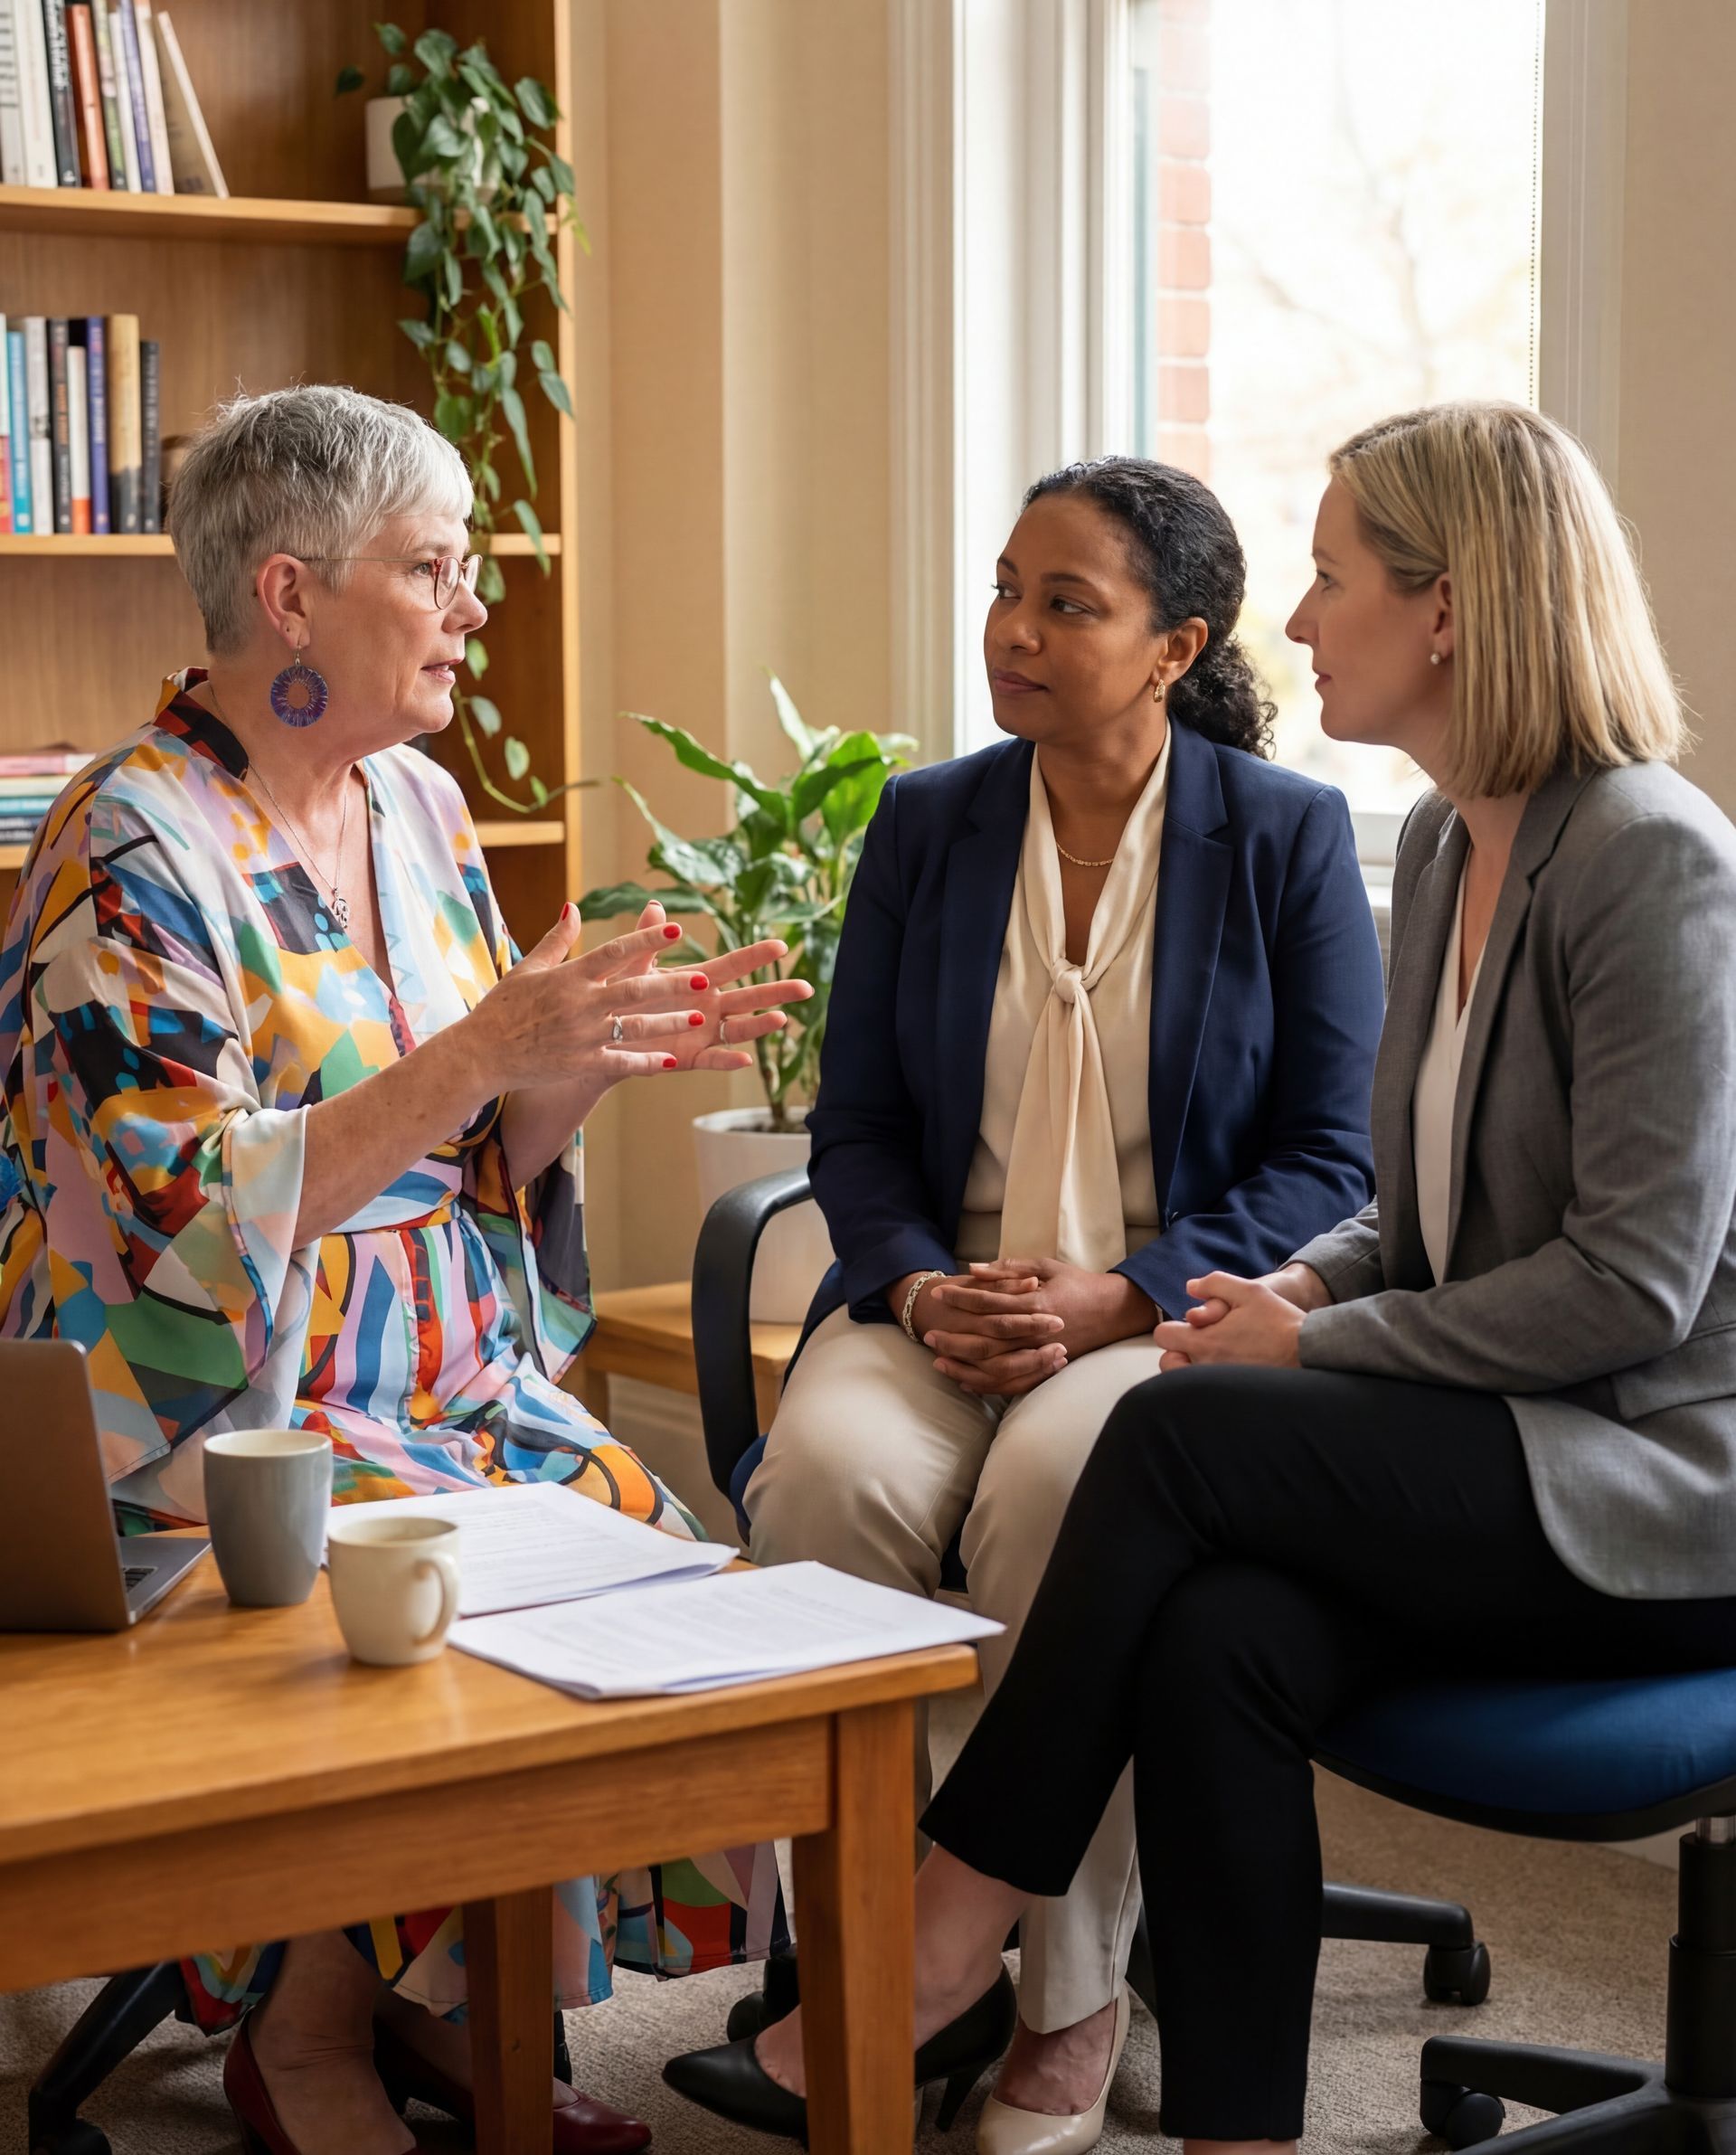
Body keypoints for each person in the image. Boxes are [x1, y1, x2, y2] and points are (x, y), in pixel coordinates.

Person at [665, 399, 1736, 2153]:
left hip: (1644, 1471)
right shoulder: (1459, 841)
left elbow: (1631, 1287)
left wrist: (1275, 1333)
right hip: (1482, 1423)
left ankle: (950, 1937)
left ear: (1451, 608)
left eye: (1328, 580)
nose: (1298, 622)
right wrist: (1306, 1298)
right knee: (1222, 1636)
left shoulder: (1652, 862)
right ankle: (1232, 2126)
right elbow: (1399, 1201)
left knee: (1158, 1439)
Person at [0, 384, 810, 2155]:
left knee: (635, 1529)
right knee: (414, 1590)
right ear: (289, 600)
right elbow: (168, 1227)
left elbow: (477, 1173)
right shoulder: (126, 843)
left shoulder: (424, 810)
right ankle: (305, 2043)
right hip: (212, 1423)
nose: (470, 606)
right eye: (432, 568)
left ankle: (456, 2015)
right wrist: (484, 1045)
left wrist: (578, 1060)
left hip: (439, 1374)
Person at [741, 456, 1384, 2150]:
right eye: (1007, 589)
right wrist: (913, 1279)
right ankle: (855, 1950)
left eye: (1065, 603)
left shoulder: (1289, 839)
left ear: (1175, 649)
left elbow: (1334, 1159)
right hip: (932, 1304)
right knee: (823, 1484)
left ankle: (1066, 1990)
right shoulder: (929, 823)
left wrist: (1124, 1296)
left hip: (1165, 1321)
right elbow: (859, 1125)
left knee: (1058, 1491)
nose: (1010, 631)